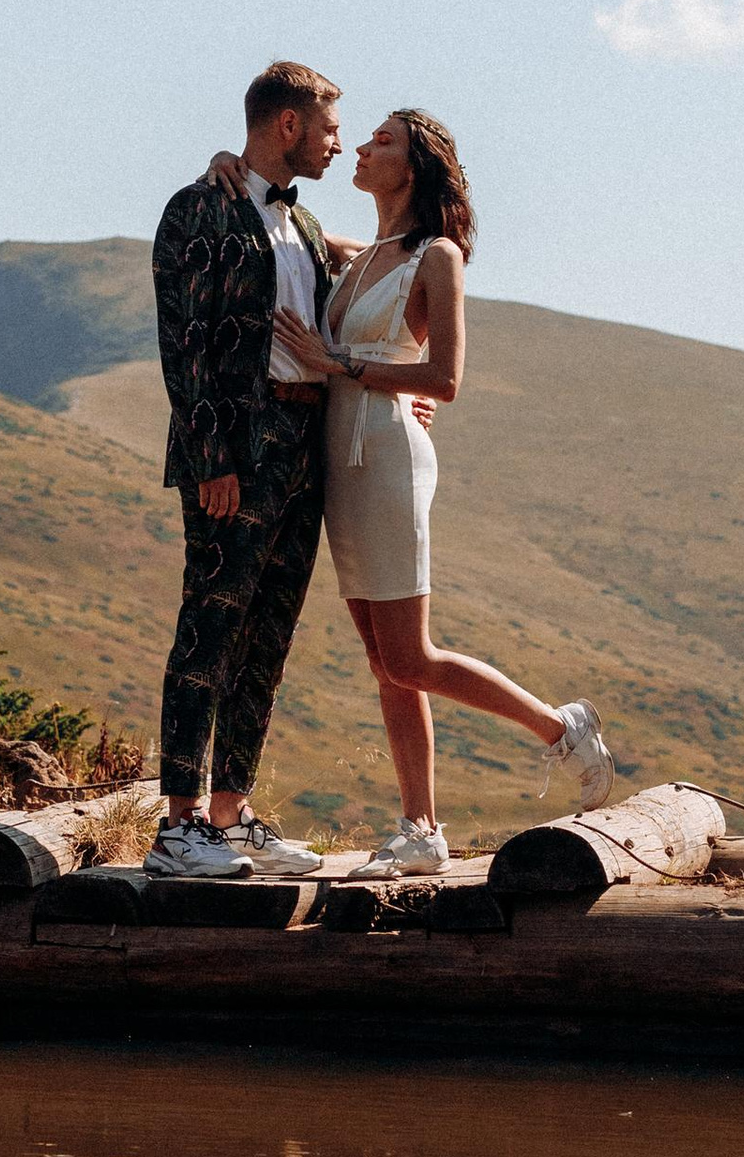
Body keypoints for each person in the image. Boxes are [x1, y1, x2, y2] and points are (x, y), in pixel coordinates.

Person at [237, 108, 615, 876]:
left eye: (381, 142)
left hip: (386, 452)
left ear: (412, 167)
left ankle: (560, 728)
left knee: (410, 655)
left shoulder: (437, 257)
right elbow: (279, 216)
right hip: (339, 462)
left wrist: (338, 363)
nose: (362, 148)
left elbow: (445, 378)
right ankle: (422, 831)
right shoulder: (365, 251)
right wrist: (228, 165)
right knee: (385, 663)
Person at [147, 61, 346, 881]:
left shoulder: (303, 227)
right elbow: (182, 343)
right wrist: (210, 458)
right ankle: (178, 828)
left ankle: (232, 814)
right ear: (288, 126)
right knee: (210, 627)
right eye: (330, 128)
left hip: (305, 447)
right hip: (237, 448)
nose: (337, 143)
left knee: (269, 634)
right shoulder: (199, 207)